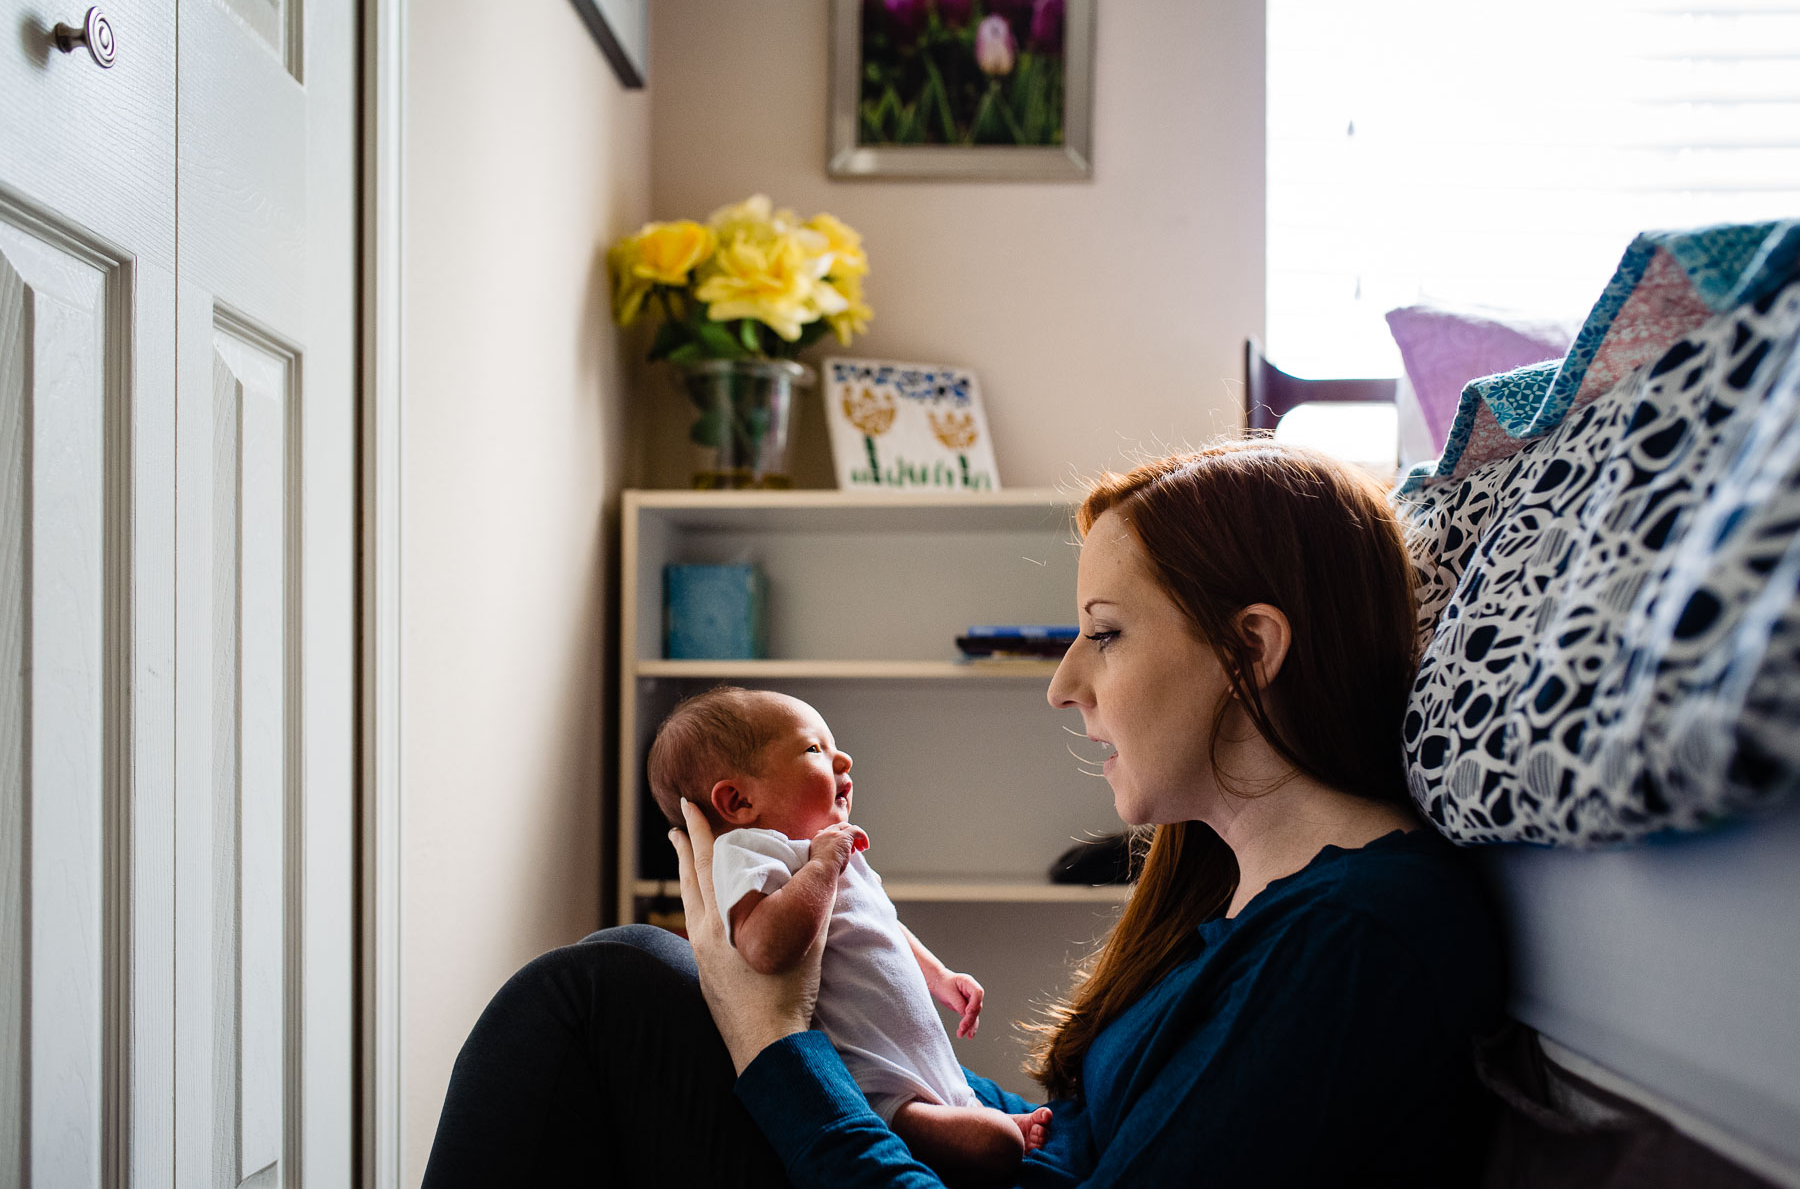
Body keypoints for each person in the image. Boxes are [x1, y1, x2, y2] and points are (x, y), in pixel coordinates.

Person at [422, 441, 1504, 1189]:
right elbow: (1080, 1141)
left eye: (1106, 632)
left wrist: (776, 1036)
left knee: (598, 993)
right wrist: (889, 1059)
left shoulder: (1353, 935)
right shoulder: (1236, 896)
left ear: (1252, 650)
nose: (1064, 682)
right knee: (621, 984)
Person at [645, 685, 1053, 1181]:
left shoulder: (828, 849)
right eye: (814, 749)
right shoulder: (751, 853)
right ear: (737, 800)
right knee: (998, 1145)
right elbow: (763, 946)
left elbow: (883, 924)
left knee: (977, 1115)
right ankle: (966, 1136)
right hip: (876, 1092)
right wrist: (822, 866)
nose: (845, 759)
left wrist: (939, 976)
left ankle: (967, 1115)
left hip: (916, 1063)